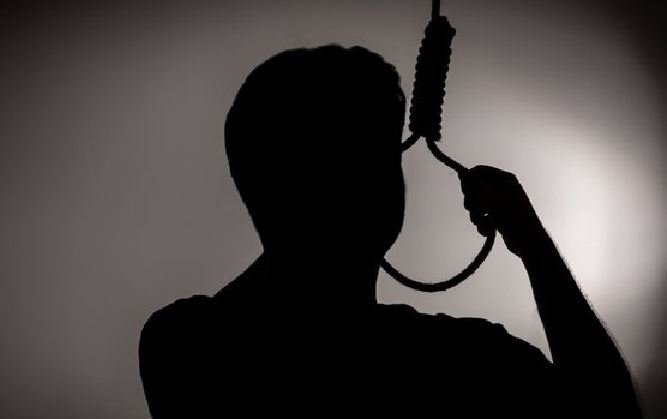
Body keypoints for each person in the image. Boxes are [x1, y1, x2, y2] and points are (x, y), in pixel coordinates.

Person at [139, 45, 641, 418]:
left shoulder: (191, 345)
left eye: (377, 152)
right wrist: (533, 244)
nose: (370, 177)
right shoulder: (462, 366)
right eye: (348, 154)